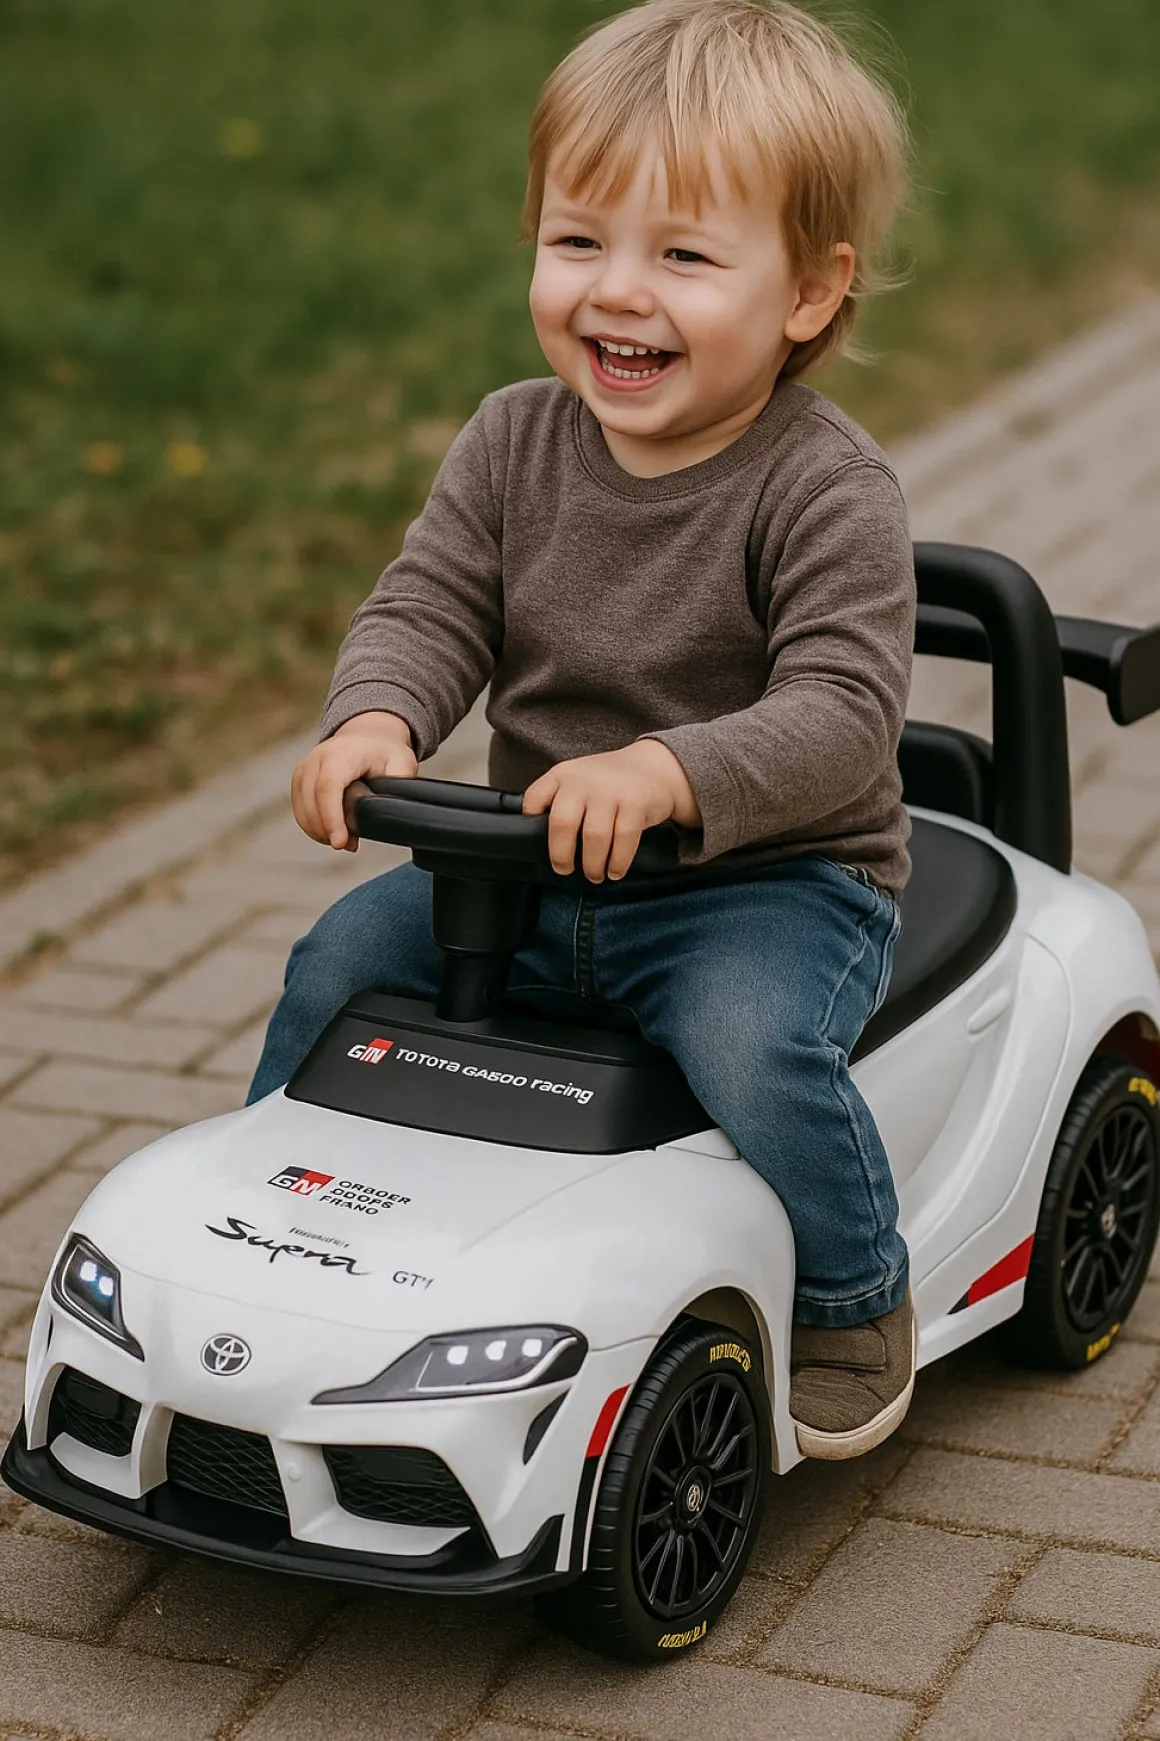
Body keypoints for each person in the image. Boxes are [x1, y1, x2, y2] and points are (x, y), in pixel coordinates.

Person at [247, 0, 917, 1460]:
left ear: (811, 292)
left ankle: (855, 1291)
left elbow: (845, 713)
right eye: (578, 240)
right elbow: (431, 604)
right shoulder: (510, 441)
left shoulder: (825, 488)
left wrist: (669, 769)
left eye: (685, 257)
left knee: (753, 1046)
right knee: (340, 965)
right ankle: (276, 1241)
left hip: (765, 886)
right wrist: (375, 717)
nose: (619, 292)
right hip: (532, 872)